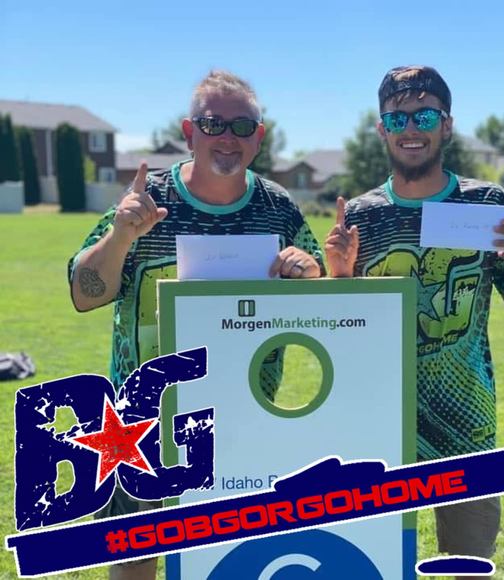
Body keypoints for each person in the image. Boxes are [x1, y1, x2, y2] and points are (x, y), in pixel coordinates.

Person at [68, 70, 323, 579]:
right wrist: (121, 237)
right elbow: (83, 294)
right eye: (212, 124)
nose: (227, 136)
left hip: (242, 418)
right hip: (139, 425)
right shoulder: (147, 200)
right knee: (133, 560)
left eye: (241, 125)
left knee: (228, 560)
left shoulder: (277, 208)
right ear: (189, 132)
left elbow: (317, 287)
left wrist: (309, 269)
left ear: (259, 137)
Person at [325, 65, 504, 577]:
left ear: (446, 125)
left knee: (469, 562)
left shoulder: (485, 204)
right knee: (371, 562)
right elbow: (342, 325)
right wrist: (340, 274)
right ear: (381, 129)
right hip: (378, 418)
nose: (410, 129)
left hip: (465, 417)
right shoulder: (362, 214)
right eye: (396, 118)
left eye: (424, 116)